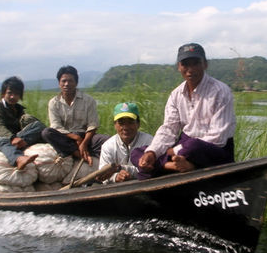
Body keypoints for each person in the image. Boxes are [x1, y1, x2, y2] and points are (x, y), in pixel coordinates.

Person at [134, 43, 235, 176]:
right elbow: (169, 129)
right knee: (138, 153)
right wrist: (152, 153)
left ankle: (169, 165)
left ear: (205, 64)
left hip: (211, 150)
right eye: (185, 64)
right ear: (179, 67)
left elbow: (218, 138)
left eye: (195, 63)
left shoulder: (220, 92)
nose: (190, 69)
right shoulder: (176, 94)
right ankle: (176, 165)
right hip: (184, 147)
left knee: (193, 145)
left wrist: (174, 151)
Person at [40, 65, 109, 164]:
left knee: (108, 140)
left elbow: (92, 125)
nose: (67, 84)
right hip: (65, 137)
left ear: (76, 83)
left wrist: (84, 143)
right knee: (47, 133)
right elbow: (56, 126)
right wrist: (75, 138)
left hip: (85, 136)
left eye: (70, 81)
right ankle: (79, 154)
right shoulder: (54, 102)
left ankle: (79, 151)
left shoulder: (88, 100)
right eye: (63, 81)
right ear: (59, 83)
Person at [0, 76, 45, 170]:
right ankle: (18, 159)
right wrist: (12, 138)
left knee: (38, 126)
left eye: (16, 94)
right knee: (4, 140)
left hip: (13, 138)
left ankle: (19, 143)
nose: (12, 97)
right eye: (9, 93)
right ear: (3, 93)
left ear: (20, 95)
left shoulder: (19, 109)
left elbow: (25, 128)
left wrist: (17, 138)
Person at [98, 102, 153, 183]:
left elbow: (149, 169)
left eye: (130, 122)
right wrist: (115, 177)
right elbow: (102, 174)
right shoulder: (108, 146)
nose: (125, 127)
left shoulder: (149, 141)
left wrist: (121, 168)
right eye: (121, 123)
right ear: (115, 125)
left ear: (138, 124)